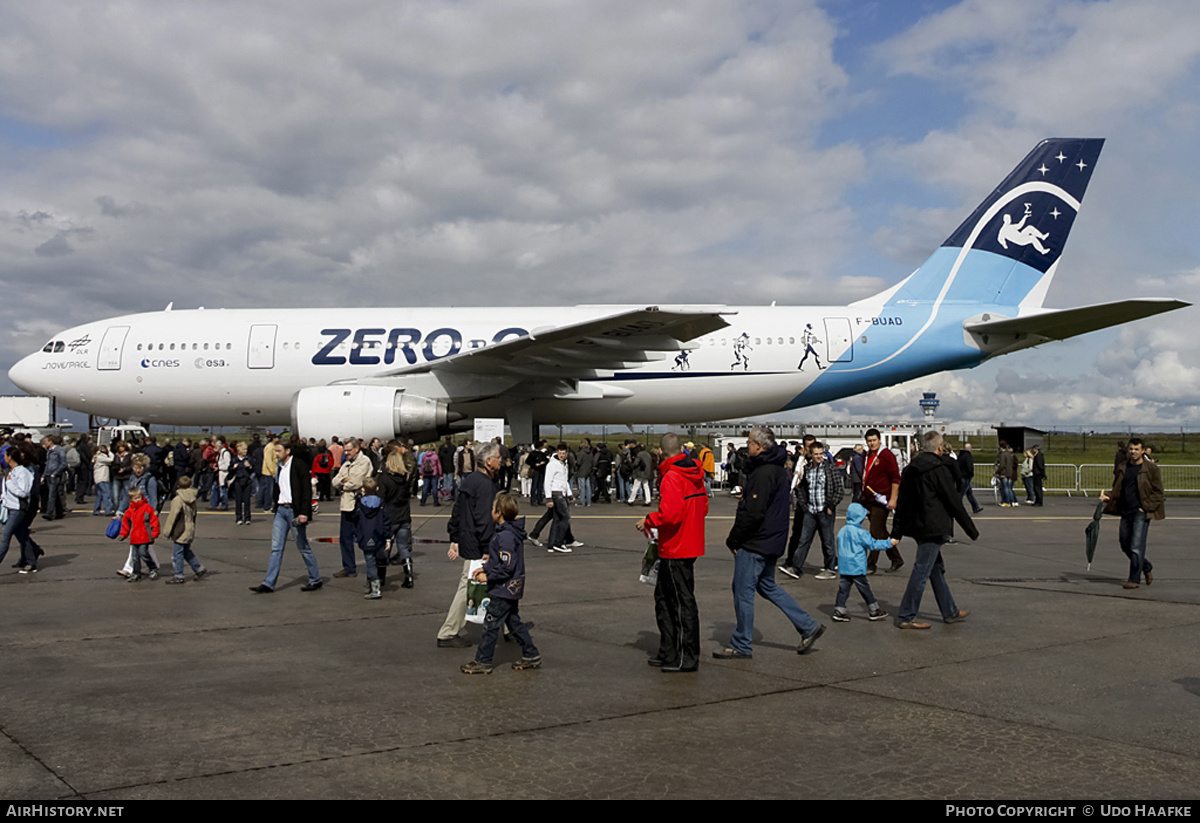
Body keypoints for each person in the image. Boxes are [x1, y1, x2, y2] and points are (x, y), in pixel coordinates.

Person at [713, 426, 825, 659]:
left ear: (759, 446)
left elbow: (754, 512)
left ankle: (742, 643)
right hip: (772, 539)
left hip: (757, 542)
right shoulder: (775, 470)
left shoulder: (764, 473)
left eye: (750, 441)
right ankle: (808, 625)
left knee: (742, 591)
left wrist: (734, 539)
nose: (747, 445)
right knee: (766, 585)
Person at [891, 431, 978, 629]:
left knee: (935, 569)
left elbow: (902, 503)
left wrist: (896, 531)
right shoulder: (938, 469)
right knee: (921, 570)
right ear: (940, 448)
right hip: (934, 527)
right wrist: (970, 529)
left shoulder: (910, 469)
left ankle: (950, 611)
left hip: (917, 526)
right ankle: (906, 615)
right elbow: (953, 500)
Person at [637, 432, 707, 673]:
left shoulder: (672, 477)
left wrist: (649, 520)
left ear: (662, 451)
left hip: (676, 547)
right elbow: (702, 506)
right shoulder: (695, 473)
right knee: (667, 599)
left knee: (677, 603)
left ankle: (684, 656)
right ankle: (669, 651)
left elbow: (670, 515)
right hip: (688, 543)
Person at [461, 493, 541, 674]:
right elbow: (500, 561)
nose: (491, 511)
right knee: (513, 622)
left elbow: (506, 566)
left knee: (491, 624)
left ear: (499, 513)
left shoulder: (505, 536)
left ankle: (483, 660)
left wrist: (488, 577)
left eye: (493, 509)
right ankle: (531, 653)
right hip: (511, 587)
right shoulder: (507, 533)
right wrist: (486, 568)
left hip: (503, 588)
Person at [437, 441, 502, 648]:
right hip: (479, 544)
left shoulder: (470, 481)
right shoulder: (485, 485)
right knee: (470, 585)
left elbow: (457, 512)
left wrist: (454, 536)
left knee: (496, 583)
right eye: (498, 458)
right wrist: (486, 548)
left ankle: (510, 625)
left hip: (469, 539)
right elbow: (484, 519)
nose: (501, 461)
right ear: (489, 461)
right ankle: (448, 632)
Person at [249, 438, 322, 594]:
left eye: (278, 451)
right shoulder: (279, 467)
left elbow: (306, 491)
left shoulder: (299, 466)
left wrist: (304, 513)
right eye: (275, 451)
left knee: (303, 547)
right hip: (281, 511)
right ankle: (268, 583)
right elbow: (278, 489)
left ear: (287, 451)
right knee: (276, 548)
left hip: (294, 512)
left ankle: (315, 579)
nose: (276, 454)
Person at [1100, 438, 1164, 590]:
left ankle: (1134, 579)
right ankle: (1146, 566)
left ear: (1143, 451)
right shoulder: (1123, 467)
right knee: (1125, 544)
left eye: (1136, 449)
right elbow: (1118, 488)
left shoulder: (1151, 469)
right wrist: (1109, 496)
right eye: (1131, 449)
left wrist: (1145, 507)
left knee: (1136, 546)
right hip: (1125, 510)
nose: (1133, 452)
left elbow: (1159, 493)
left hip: (1141, 512)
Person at [780, 440, 843, 580]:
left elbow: (839, 488)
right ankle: (796, 567)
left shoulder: (830, 469)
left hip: (824, 510)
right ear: (811, 455)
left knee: (827, 541)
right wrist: (803, 504)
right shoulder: (808, 469)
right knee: (804, 540)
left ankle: (830, 568)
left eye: (821, 454)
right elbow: (801, 489)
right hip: (810, 510)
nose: (819, 456)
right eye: (816, 454)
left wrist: (831, 505)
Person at [831, 503, 894, 623]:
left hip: (845, 566)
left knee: (843, 589)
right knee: (865, 589)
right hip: (856, 566)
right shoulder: (861, 533)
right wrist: (888, 543)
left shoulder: (843, 531)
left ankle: (839, 610)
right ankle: (874, 610)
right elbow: (873, 544)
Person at [861, 428, 903, 573]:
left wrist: (893, 498)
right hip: (869, 499)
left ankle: (871, 565)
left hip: (882, 499)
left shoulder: (886, 455)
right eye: (869, 441)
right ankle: (896, 559)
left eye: (874, 440)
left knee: (874, 533)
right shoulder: (867, 455)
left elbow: (895, 478)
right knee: (881, 532)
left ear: (880, 440)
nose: (872, 443)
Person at [331, 437, 373, 578]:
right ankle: (349, 568)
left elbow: (356, 482)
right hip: (347, 505)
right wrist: (344, 480)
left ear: (357, 449)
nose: (346, 453)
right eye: (345, 450)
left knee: (366, 538)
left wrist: (344, 482)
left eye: (349, 450)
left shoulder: (364, 461)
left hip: (360, 504)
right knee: (345, 538)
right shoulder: (347, 463)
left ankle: (374, 566)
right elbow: (334, 481)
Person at [161, 475, 207, 584]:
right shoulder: (193, 499)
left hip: (180, 529)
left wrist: (167, 532)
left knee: (177, 554)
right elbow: (194, 513)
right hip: (189, 528)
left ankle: (178, 575)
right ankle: (198, 568)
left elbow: (172, 517)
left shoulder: (177, 500)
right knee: (186, 551)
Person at [119, 486, 160, 582]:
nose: (138, 500)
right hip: (135, 537)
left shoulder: (147, 508)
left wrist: (155, 532)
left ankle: (152, 567)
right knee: (134, 557)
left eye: (139, 497)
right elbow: (126, 524)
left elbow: (154, 521)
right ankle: (136, 573)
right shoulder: (130, 511)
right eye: (136, 498)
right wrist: (123, 534)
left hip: (145, 536)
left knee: (143, 553)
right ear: (131, 499)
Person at [956, 442, 984, 514]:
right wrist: (971, 474)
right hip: (966, 477)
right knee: (961, 494)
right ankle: (956, 508)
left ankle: (975, 507)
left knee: (969, 493)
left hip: (962, 476)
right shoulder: (968, 456)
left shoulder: (960, 456)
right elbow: (969, 466)